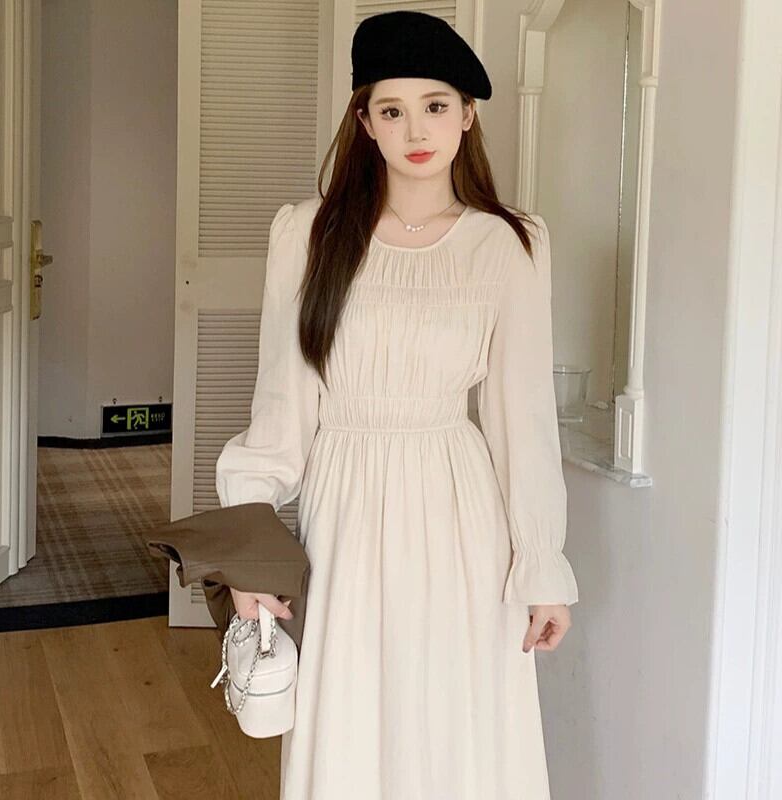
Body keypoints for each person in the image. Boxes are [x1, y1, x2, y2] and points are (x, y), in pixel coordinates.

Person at [215, 10, 579, 799]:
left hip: (460, 511)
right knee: (349, 721)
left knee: (459, 723)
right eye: (392, 109)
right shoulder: (308, 236)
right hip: (345, 512)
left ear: (468, 114)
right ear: (365, 121)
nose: (416, 130)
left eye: (436, 105)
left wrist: (541, 565)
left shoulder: (509, 243)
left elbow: (523, 421)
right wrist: (246, 556)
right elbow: (280, 411)